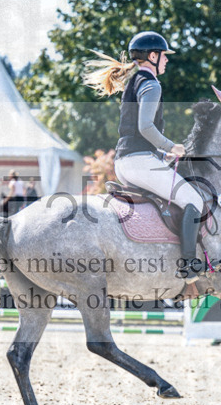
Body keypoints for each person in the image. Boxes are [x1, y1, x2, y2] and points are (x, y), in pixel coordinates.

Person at [83, 31, 205, 283]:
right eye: (164, 56)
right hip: (138, 162)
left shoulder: (134, 82)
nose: (167, 61)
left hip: (125, 161)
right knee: (194, 199)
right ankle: (190, 263)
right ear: (152, 56)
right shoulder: (151, 84)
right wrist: (173, 147)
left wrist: (160, 154)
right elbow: (145, 128)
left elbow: (136, 132)